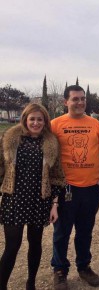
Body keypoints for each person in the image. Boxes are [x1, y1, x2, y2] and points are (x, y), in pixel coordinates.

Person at [0, 103, 65, 290]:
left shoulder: (51, 142)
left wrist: (54, 205)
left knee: (35, 244)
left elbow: (57, 177)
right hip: (14, 200)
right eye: (32, 119)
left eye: (40, 119)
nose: (36, 123)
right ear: (25, 120)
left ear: (45, 121)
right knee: (12, 246)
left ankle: (31, 283)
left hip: (39, 201)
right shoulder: (10, 138)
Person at [50, 85, 99, 290]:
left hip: (91, 189)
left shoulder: (95, 124)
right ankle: (59, 270)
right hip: (65, 189)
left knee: (85, 231)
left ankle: (84, 267)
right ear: (65, 102)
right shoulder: (55, 125)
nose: (80, 102)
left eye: (82, 98)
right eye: (75, 99)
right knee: (61, 232)